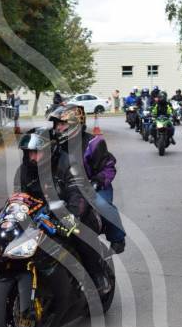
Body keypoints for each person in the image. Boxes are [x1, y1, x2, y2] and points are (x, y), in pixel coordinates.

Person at [14, 128, 110, 295]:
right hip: (42, 215)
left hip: (76, 212)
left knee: (79, 233)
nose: (32, 158)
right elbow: (19, 198)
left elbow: (78, 195)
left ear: (50, 150)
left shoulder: (69, 165)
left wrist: (71, 218)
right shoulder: (24, 171)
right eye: (29, 153)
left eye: (36, 153)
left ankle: (98, 277)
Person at [48, 104, 126, 254]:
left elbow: (108, 167)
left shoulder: (94, 143)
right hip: (68, 187)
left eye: (62, 124)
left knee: (101, 205)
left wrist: (97, 182)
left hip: (95, 185)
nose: (58, 128)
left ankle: (117, 237)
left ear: (76, 124)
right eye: (56, 124)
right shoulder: (55, 145)